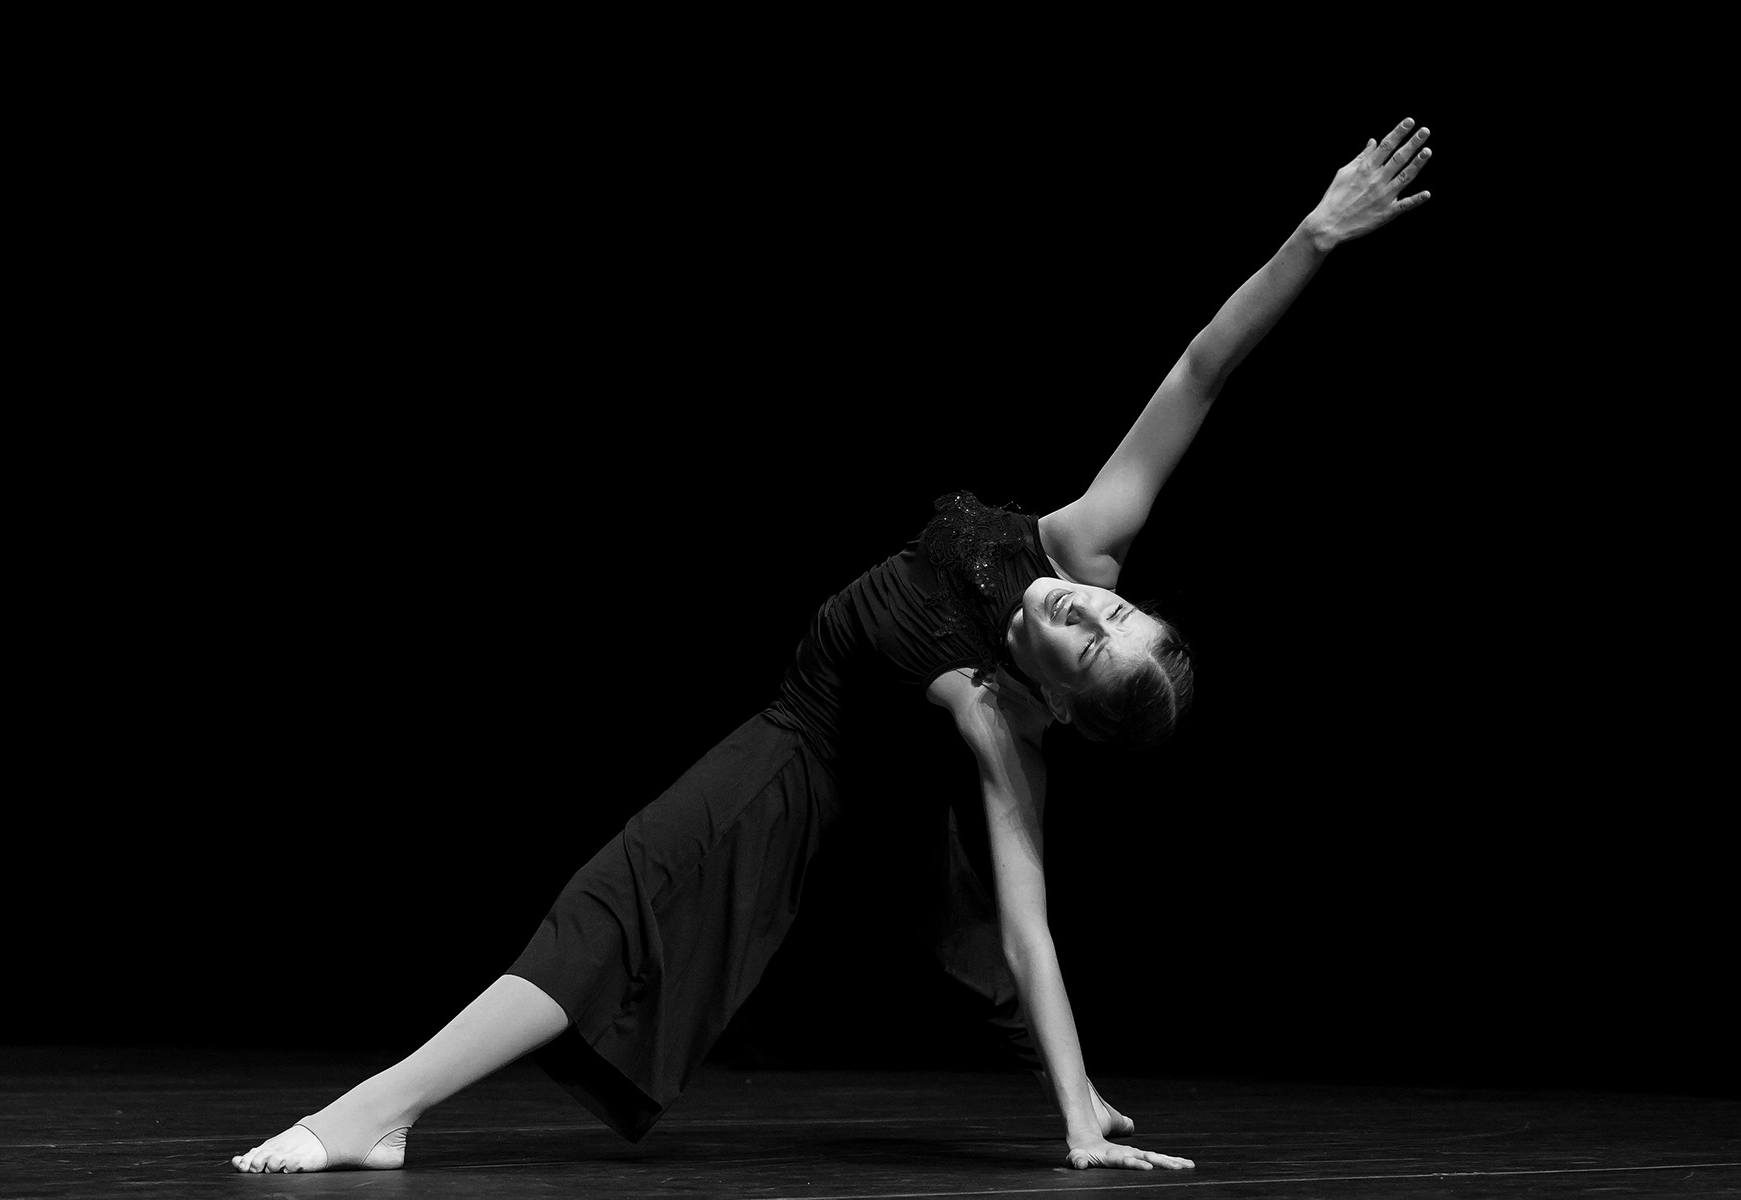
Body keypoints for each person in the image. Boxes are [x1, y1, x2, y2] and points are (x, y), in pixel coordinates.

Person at [232, 117, 1434, 1175]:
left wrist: (1074, 1116)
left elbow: (1033, 928)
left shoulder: (998, 720)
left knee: (621, 898)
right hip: (835, 734)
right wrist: (1315, 235)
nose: (1082, 613)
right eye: (1112, 613)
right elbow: (1203, 367)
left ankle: (372, 1115)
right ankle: (384, 1112)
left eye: (1087, 646)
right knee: (647, 906)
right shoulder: (1088, 539)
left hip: (809, 752)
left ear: (1062, 704)